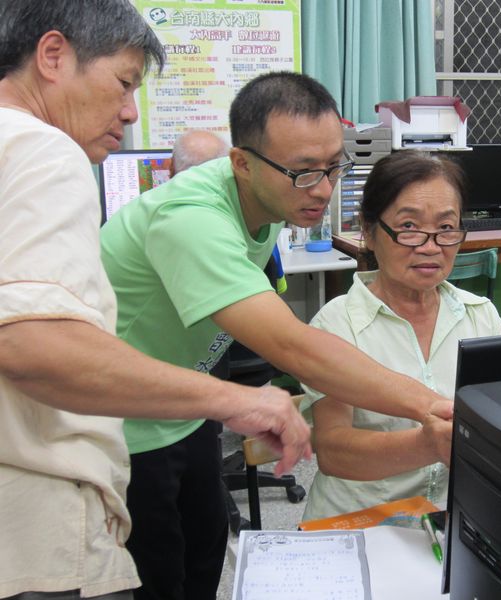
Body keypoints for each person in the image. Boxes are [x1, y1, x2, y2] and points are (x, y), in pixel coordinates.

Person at [99, 72, 454, 600]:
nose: (324, 189)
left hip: (185, 407)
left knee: (205, 559)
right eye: (303, 172)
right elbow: (292, 347)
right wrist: (434, 408)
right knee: (158, 577)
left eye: (334, 165)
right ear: (241, 162)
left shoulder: (266, 204)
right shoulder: (190, 217)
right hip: (122, 424)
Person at [0, 3, 310, 600]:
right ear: (53, 56)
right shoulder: (43, 151)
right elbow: (33, 344)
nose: (129, 111)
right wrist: (237, 400)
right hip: (38, 527)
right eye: (123, 82)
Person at [300, 151, 501, 521]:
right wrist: (426, 444)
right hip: (360, 525)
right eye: (409, 226)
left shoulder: (482, 318)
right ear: (368, 230)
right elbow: (334, 451)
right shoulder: (335, 326)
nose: (430, 246)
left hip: (452, 522)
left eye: (446, 228)